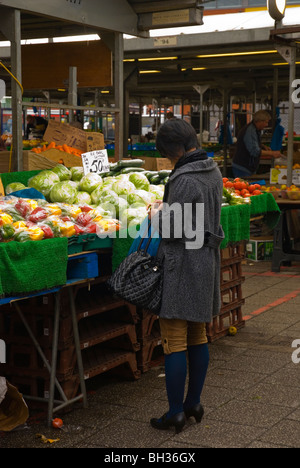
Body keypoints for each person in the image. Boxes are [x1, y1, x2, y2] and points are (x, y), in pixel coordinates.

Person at [147, 118, 224, 434]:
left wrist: (155, 216)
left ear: (174, 149)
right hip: (205, 261)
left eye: (166, 154)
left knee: (174, 339)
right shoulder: (212, 170)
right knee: (198, 334)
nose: (167, 160)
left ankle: (175, 412)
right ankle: (194, 403)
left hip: (182, 265)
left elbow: (173, 228)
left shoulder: (183, 179)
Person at [232, 110, 285, 178]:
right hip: (242, 167)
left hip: (247, 167)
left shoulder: (255, 129)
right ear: (259, 121)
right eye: (266, 122)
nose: (267, 125)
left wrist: (262, 146)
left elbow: (251, 143)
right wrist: (272, 153)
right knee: (243, 186)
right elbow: (254, 151)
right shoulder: (250, 131)